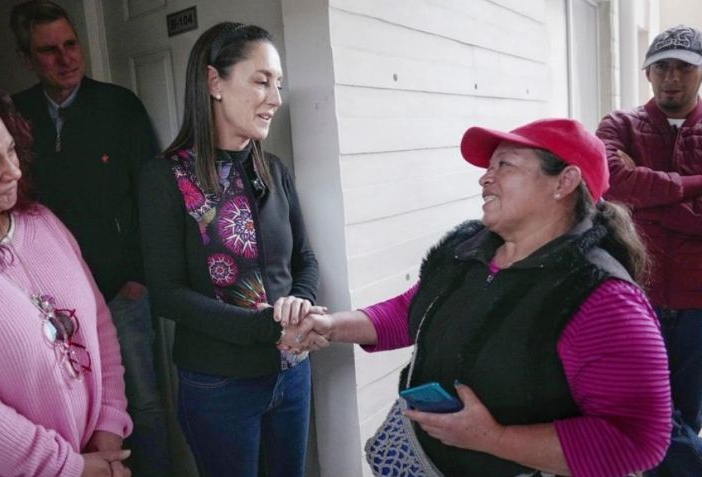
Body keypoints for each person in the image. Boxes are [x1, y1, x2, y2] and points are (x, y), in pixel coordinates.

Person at [288, 119, 672, 477]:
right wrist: (332, 326)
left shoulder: (600, 296)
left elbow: (638, 440)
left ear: (564, 181)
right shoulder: (470, 249)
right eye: (489, 167)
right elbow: (412, 311)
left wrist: (494, 439)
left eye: (505, 165)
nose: (485, 179)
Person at [0, 77, 133, 477]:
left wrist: (109, 425)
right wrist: (70, 468)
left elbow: (99, 324)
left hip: (99, 455)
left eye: (11, 151)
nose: (14, 171)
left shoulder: (43, 221)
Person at [139, 22, 320, 477]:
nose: (276, 98)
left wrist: (301, 308)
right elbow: (166, 293)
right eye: (261, 81)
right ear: (213, 82)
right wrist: (264, 328)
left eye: (278, 84)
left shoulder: (274, 171)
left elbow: (305, 261)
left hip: (291, 373)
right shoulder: (164, 178)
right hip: (218, 385)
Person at [8, 2, 170, 474]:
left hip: (121, 292)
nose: (66, 59)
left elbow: (153, 198)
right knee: (67, 409)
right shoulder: (16, 115)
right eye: (49, 50)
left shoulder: (120, 107)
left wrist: (138, 277)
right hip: (49, 301)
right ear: (27, 58)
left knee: (143, 403)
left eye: (71, 44)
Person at [596, 24, 702, 477]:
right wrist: (690, 191)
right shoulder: (619, 125)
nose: (671, 78)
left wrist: (649, 198)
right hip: (636, 296)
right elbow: (610, 185)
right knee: (642, 409)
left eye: (684, 67)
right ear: (647, 73)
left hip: (698, 302)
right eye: (662, 67)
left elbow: (631, 199)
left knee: (687, 407)